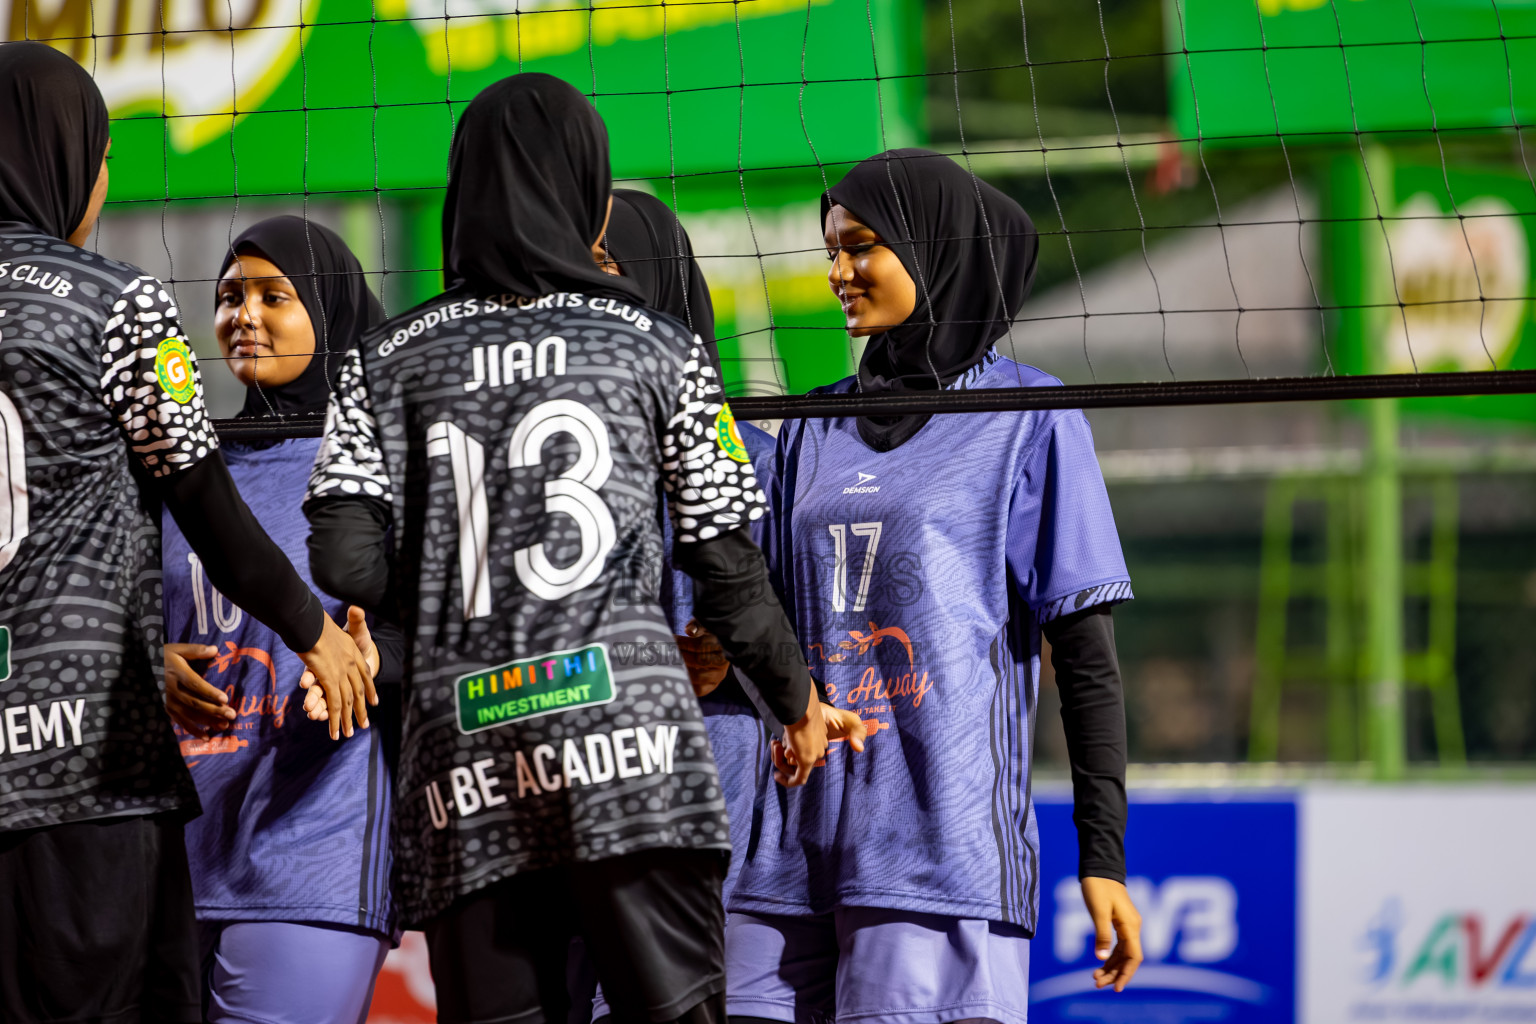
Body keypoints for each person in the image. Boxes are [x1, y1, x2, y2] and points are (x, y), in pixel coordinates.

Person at [301, 73, 850, 1024]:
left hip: (466, 766)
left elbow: (344, 565)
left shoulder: (381, 359)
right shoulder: (659, 346)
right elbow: (726, 565)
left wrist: (452, 594)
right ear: (586, 189)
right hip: (631, 760)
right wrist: (797, 699)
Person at [725, 148, 1144, 1024]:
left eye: (862, 245)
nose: (837, 270)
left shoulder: (1027, 416)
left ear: (934, 250)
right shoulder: (808, 423)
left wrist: (1102, 856)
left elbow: (1087, 656)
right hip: (781, 856)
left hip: (932, 854)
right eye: (832, 247)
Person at [0, 43, 373, 1024]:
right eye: (105, 155)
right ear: (67, 157)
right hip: (91, 774)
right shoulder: (123, 303)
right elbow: (202, 496)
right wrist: (312, 627)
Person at [583, 190, 867, 1023]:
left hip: (757, 859)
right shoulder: (541, 455)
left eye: (604, 264)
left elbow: (812, 636)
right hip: (605, 838)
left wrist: (749, 663)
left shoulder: (767, 452)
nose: (582, 286)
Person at [160, 215, 401, 1024]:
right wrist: (148, 663)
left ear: (328, 309)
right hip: (176, 848)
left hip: (314, 845)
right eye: (229, 297)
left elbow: (436, 627)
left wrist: (376, 660)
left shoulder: (379, 461)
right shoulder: (186, 465)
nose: (244, 316)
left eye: (274, 296)